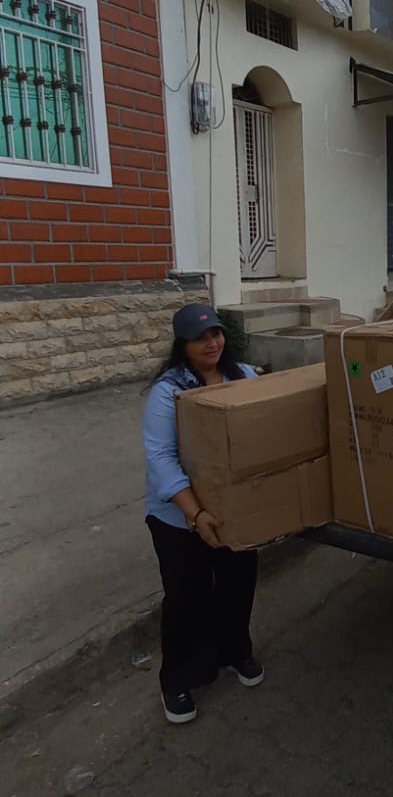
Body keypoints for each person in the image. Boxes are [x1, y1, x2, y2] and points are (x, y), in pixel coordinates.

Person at [143, 303, 264, 725]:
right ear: (183, 345)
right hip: (178, 518)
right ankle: (178, 679)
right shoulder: (168, 392)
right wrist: (195, 515)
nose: (212, 343)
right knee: (186, 596)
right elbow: (160, 457)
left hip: (232, 511)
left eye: (216, 333)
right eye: (200, 338)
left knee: (237, 583)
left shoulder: (242, 376)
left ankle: (236, 652)